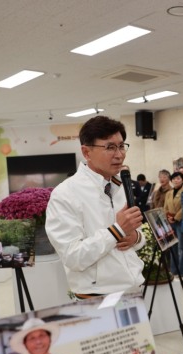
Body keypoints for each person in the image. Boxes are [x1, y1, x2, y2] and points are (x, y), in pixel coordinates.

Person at [46, 116, 145, 298]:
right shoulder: (65, 194)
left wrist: (136, 237)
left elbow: (133, 236)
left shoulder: (119, 186)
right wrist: (116, 231)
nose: (119, 154)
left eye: (121, 146)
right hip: (98, 298)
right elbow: (72, 257)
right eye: (109, 147)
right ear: (86, 152)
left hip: (133, 290)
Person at [164, 171, 183, 274]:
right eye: (174, 179)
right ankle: (173, 270)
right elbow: (165, 207)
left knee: (181, 247)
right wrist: (167, 216)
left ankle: (182, 271)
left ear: (182, 180)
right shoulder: (169, 193)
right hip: (170, 222)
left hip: (181, 221)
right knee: (173, 246)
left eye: (178, 178)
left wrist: (176, 217)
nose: (176, 180)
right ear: (171, 181)